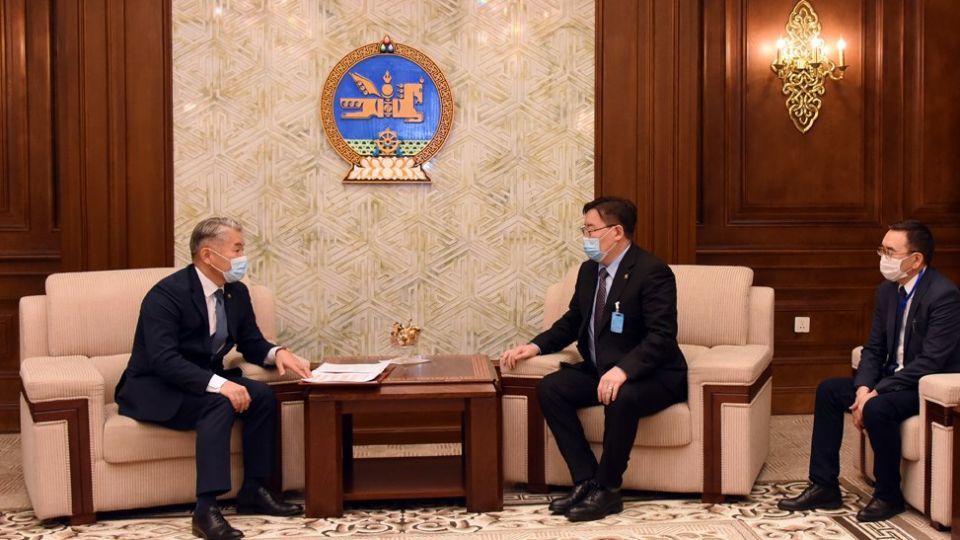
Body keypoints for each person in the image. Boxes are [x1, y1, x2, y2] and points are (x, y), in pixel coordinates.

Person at [115, 217, 313, 540]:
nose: (242, 257)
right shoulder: (166, 295)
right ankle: (205, 509)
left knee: (263, 396)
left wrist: (278, 353)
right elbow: (164, 361)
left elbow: (251, 342)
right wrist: (221, 385)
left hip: (202, 381)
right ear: (208, 255)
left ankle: (254, 490)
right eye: (237, 249)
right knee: (218, 404)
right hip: (156, 386)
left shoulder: (236, 293)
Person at [500, 196, 688, 522]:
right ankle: (586, 480)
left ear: (617, 232)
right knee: (552, 388)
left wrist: (623, 370)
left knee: (621, 395)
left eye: (591, 229)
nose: (586, 237)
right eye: (584, 230)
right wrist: (535, 346)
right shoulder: (589, 271)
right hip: (600, 370)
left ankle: (608, 488)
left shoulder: (652, 272)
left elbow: (661, 336)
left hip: (653, 375)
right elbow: (573, 320)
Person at [778, 219, 960, 522]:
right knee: (829, 390)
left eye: (890, 252)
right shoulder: (887, 292)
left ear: (916, 260)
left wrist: (876, 393)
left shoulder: (944, 295)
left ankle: (889, 496)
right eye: (882, 250)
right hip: (890, 379)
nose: (883, 258)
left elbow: (931, 362)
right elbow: (873, 348)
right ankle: (824, 486)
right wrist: (863, 388)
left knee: (877, 407)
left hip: (924, 386)